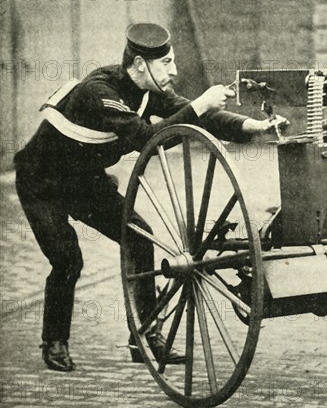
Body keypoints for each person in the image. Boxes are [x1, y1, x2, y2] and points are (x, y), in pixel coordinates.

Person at [13, 23, 287, 372]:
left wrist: (252, 126)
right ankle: (55, 342)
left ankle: (143, 338)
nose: (174, 71)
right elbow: (146, 139)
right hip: (43, 182)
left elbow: (199, 116)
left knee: (139, 239)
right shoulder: (98, 91)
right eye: (166, 63)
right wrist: (200, 104)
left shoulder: (146, 91)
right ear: (141, 64)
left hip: (84, 182)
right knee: (68, 259)